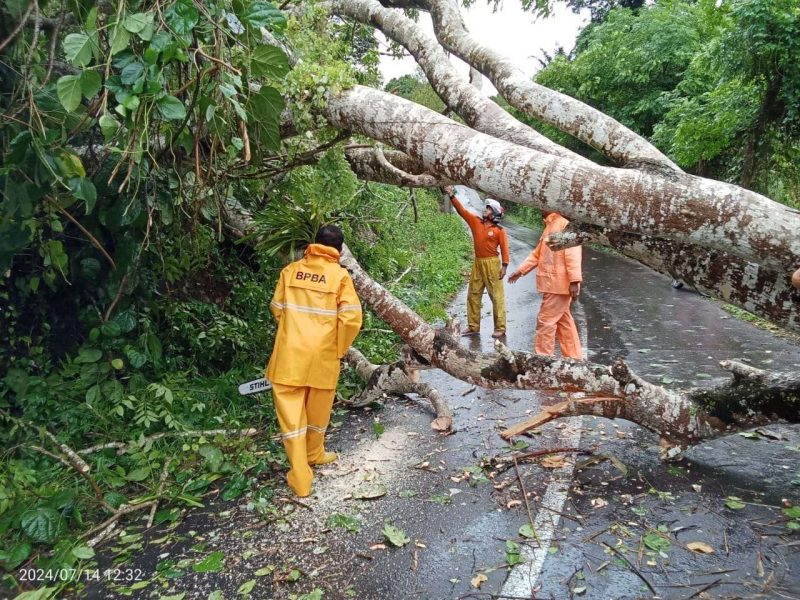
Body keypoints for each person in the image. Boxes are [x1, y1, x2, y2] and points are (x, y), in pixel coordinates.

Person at [266, 225, 363, 497]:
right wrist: (339, 348)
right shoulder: (340, 277)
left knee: (292, 422)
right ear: (339, 250)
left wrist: (291, 332)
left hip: (289, 357)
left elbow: (277, 309)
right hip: (323, 357)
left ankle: (301, 475)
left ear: (314, 244)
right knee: (318, 413)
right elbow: (352, 318)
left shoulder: (290, 271)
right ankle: (314, 454)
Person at [508, 211, 582, 360]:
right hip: (553, 285)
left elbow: (573, 253)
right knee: (564, 323)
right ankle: (575, 359)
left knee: (545, 322)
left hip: (558, 286)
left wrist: (574, 281)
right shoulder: (550, 225)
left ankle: (543, 360)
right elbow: (538, 254)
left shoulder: (563, 224)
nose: (539, 207)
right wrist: (520, 271)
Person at [443, 186, 509, 339]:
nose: (485, 211)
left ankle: (500, 327)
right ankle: (473, 326)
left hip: (492, 264)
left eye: (488, 209)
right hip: (478, 263)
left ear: (494, 213)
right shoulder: (476, 222)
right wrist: (452, 196)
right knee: (473, 293)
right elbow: (462, 211)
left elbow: (505, 249)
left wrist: (504, 266)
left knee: (496, 296)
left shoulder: (499, 230)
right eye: (486, 209)